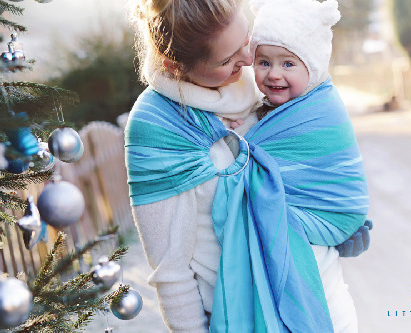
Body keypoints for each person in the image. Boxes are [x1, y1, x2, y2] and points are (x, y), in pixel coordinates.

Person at [126, 0, 370, 332]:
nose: (247, 60)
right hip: (242, 316)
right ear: (174, 66)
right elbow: (171, 270)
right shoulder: (160, 127)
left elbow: (312, 159)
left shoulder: (260, 83)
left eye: (246, 42)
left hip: (323, 301)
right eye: (227, 59)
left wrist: (331, 215)